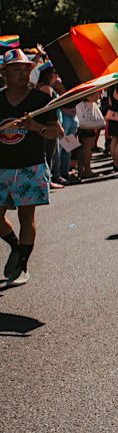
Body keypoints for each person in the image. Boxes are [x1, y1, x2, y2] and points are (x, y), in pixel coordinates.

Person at [0, 50, 64, 287]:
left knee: (26, 217)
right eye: (16, 68)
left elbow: (56, 132)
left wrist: (35, 126)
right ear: (3, 73)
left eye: (26, 68)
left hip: (31, 167)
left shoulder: (40, 100)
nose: (23, 73)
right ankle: (16, 247)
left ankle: (22, 265)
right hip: (2, 167)